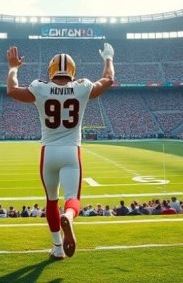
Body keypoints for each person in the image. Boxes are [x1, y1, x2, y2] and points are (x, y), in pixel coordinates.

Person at [6, 43, 115, 259]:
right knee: (72, 198)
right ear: (72, 71)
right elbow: (108, 80)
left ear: (51, 70)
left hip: (48, 152)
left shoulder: (40, 87)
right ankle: (69, 216)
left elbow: (11, 90)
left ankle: (57, 248)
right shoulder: (82, 86)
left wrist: (13, 68)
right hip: (71, 151)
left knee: (51, 200)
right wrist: (108, 59)